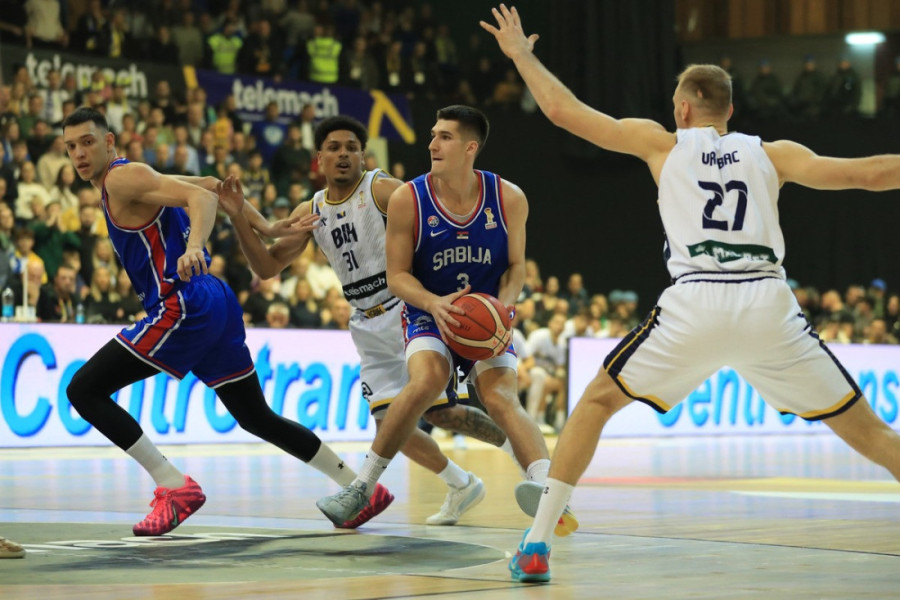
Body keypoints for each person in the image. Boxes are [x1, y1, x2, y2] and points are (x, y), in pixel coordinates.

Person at [482, 4, 900, 583]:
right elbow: (871, 173)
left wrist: (522, 56)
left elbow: (563, 111)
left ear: (682, 109)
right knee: (869, 430)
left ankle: (536, 542)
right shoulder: (773, 153)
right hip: (766, 302)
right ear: (730, 111)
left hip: (696, 299)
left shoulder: (663, 144)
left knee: (597, 402)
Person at [60, 107, 393, 537]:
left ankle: (173, 486)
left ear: (109, 142)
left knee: (84, 389)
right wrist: (267, 227)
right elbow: (215, 187)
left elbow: (202, 200)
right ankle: (360, 488)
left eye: (88, 142)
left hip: (183, 304)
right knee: (255, 416)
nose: (79, 153)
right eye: (71, 146)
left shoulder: (120, 178)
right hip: (214, 300)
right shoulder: (136, 177)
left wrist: (194, 246)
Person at [217, 115, 515, 526]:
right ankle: (461, 483)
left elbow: (433, 217)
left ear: (363, 155)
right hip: (364, 321)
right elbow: (266, 267)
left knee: (441, 414)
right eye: (334, 148)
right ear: (319, 158)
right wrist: (238, 217)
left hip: (405, 311)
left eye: (351, 148)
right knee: (390, 424)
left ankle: (519, 449)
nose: (343, 154)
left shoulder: (381, 188)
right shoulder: (312, 210)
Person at [315, 105, 578, 535]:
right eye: (433, 135)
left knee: (501, 397)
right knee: (425, 382)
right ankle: (361, 487)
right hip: (427, 310)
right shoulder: (408, 198)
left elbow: (516, 267)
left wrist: (504, 308)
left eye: (445, 137)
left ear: (470, 147)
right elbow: (398, 276)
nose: (433, 144)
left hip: (484, 313)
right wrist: (434, 304)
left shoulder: (509, 197)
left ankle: (549, 489)